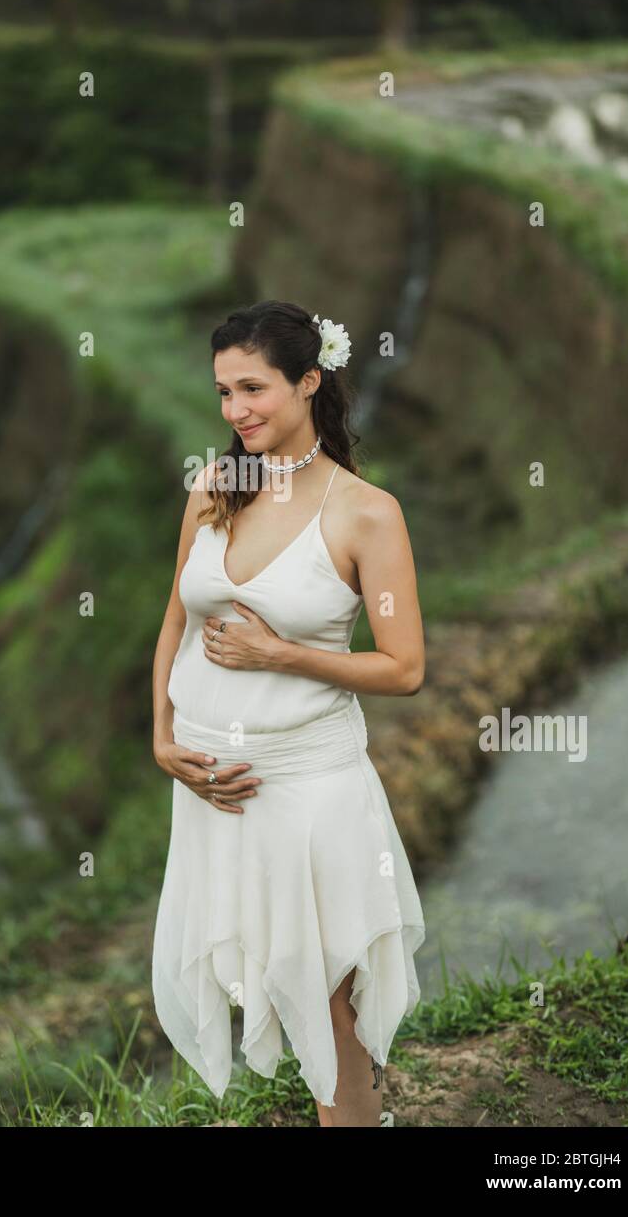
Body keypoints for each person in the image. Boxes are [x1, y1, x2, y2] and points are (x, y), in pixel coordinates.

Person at [151, 300, 426, 1127]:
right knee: (267, 973)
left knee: (329, 997)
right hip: (212, 788)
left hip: (307, 789)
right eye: (223, 392)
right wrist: (163, 739)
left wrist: (286, 655)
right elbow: (176, 619)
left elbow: (405, 667)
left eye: (253, 389)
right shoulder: (214, 487)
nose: (235, 412)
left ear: (310, 381)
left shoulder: (364, 512)